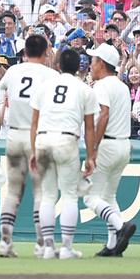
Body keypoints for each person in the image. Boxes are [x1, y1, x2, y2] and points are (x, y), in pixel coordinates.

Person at [29, 49, 98, 260]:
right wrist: (91, 156)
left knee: (48, 195)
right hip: (67, 140)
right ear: (79, 67)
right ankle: (67, 247)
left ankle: (49, 247)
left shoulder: (44, 86)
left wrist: (33, 150)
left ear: (58, 66)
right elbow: (89, 128)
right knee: (69, 195)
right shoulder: (84, 89)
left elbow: (34, 122)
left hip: (43, 139)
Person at [0, 35, 58, 258]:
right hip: (37, 136)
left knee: (13, 191)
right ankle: (41, 244)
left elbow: (2, 85)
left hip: (13, 134)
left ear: (24, 51)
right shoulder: (51, 75)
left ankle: (5, 241)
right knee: (41, 192)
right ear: (45, 52)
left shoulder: (13, 71)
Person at [82, 44, 137, 257]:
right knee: (108, 196)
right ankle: (113, 245)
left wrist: (93, 148)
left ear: (101, 64)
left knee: (90, 197)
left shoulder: (102, 86)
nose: (91, 64)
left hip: (106, 145)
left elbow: (103, 115)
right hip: (123, 145)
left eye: (94, 60)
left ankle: (120, 225)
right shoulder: (122, 86)